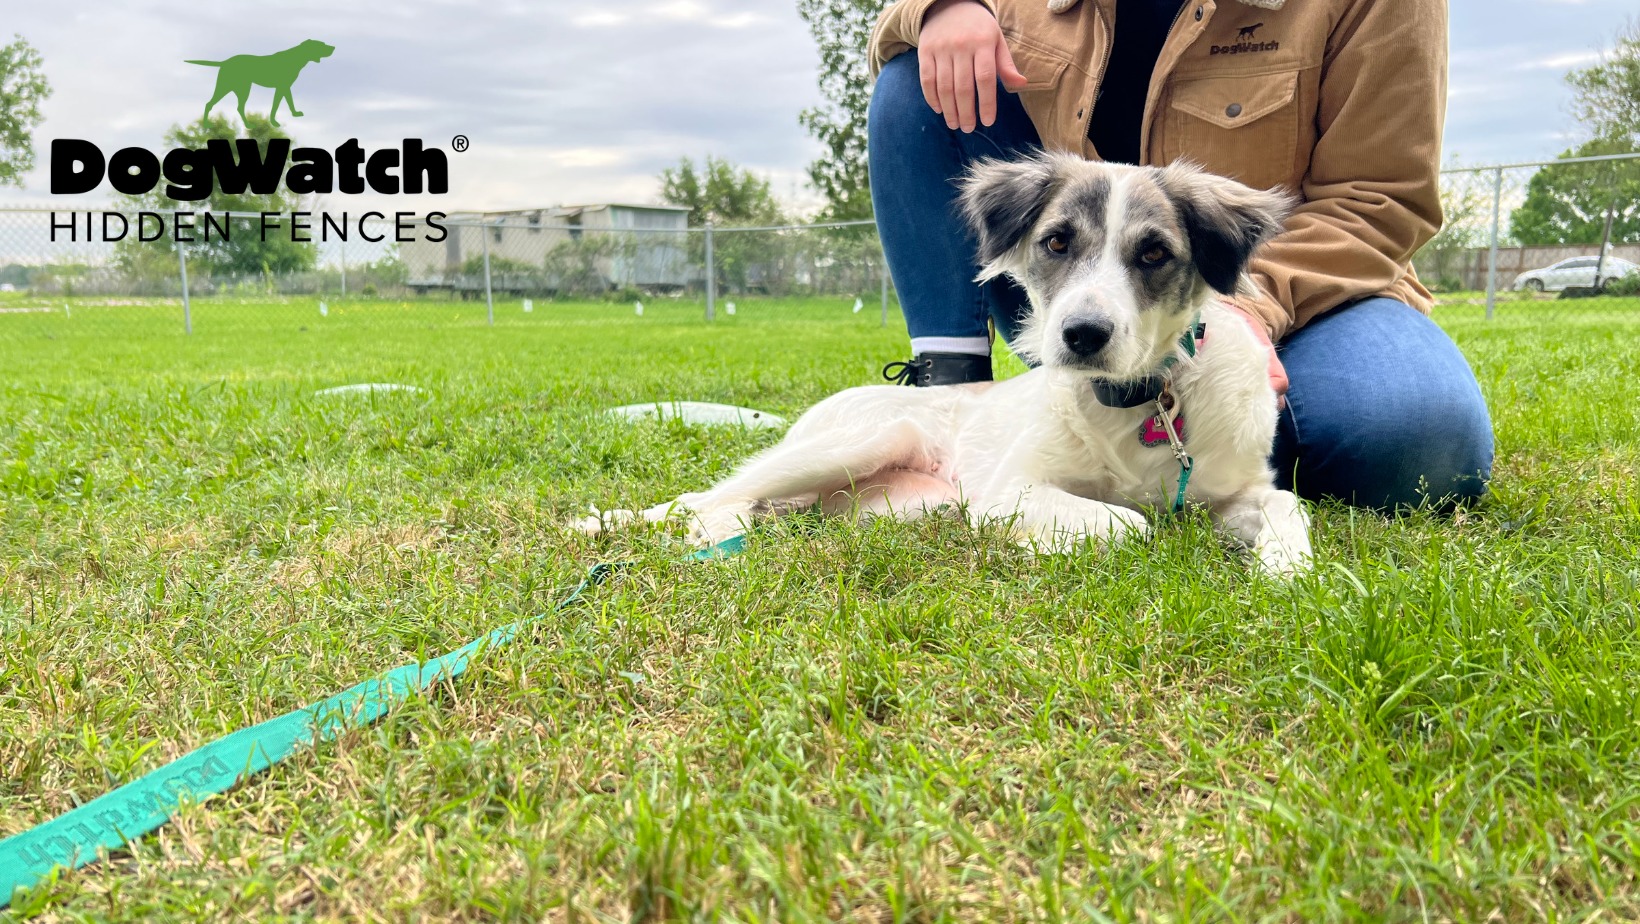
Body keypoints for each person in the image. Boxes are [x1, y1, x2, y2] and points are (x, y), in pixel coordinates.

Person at [865, 0, 1493, 511]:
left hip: (1298, 290)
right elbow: (893, 30)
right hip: (1071, 296)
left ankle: (1207, 443)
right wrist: (940, 8)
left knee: (1423, 444)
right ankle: (952, 393)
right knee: (913, 78)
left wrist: (1249, 306)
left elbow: (1381, 198)